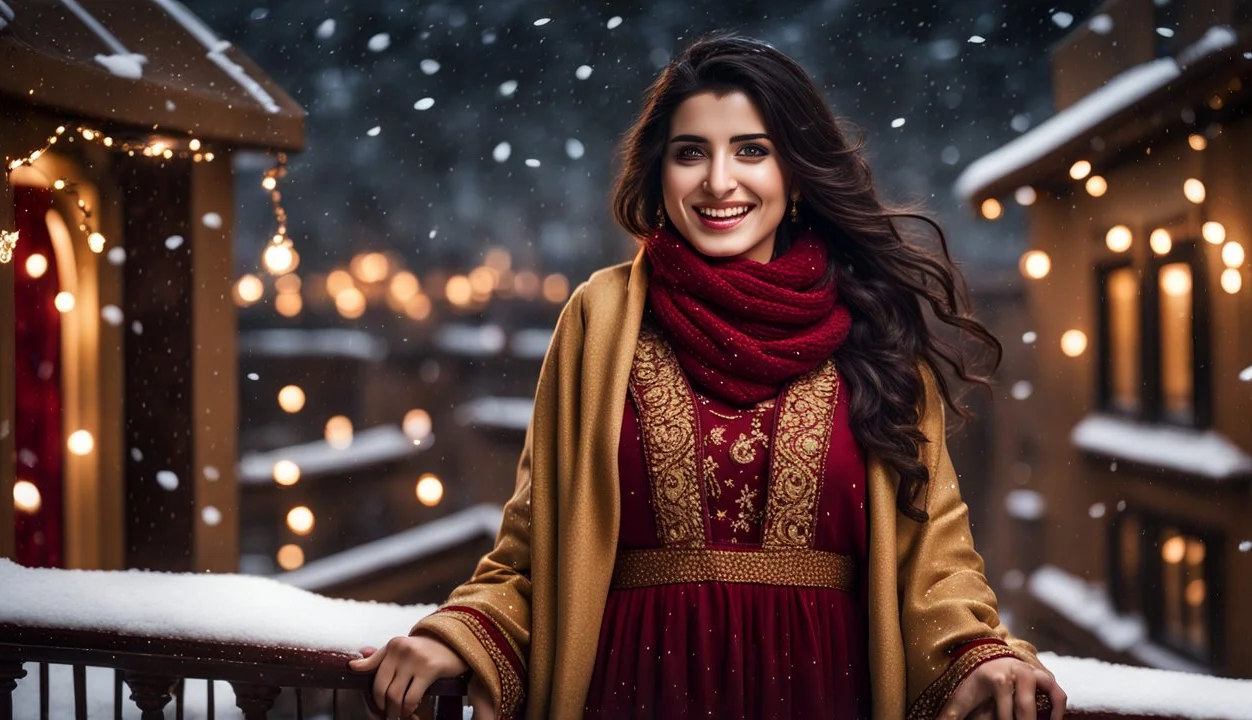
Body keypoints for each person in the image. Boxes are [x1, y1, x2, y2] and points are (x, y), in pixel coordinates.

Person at [349, 33, 1068, 720]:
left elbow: (935, 554)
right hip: (630, 694)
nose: (719, 180)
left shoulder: (876, 329)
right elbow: (536, 547)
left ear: (795, 172)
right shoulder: (600, 320)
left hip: (823, 695)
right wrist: (463, 630)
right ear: (661, 176)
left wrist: (980, 654)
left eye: (751, 151)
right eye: (691, 153)